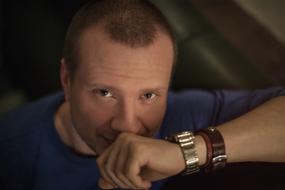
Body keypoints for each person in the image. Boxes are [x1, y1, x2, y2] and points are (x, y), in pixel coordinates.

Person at [1, 0, 285, 189]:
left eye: (148, 95)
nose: (127, 125)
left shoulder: (181, 114)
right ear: (66, 79)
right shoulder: (12, 150)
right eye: (105, 92)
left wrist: (190, 152)